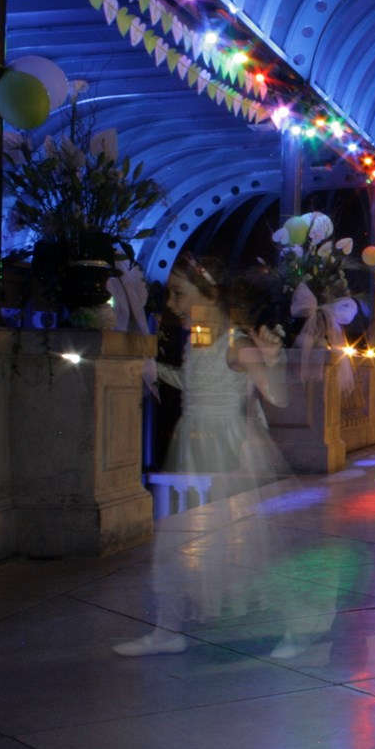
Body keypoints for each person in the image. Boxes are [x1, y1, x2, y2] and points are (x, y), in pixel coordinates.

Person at [113, 254, 289, 657]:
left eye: (179, 293)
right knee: (178, 538)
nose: (171, 304)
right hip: (192, 443)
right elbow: (199, 384)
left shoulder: (236, 342)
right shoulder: (200, 337)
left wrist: (272, 360)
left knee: (230, 541)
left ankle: (264, 625)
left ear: (209, 294)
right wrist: (156, 370)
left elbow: (276, 396)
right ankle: (168, 629)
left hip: (223, 447)